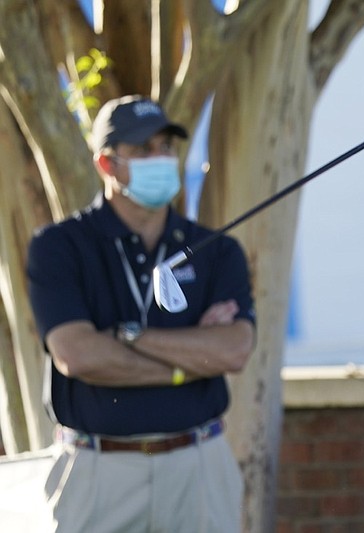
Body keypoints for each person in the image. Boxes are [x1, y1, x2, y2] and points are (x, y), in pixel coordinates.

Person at [26, 95, 256, 533]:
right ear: (107, 165)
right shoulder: (59, 246)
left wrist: (128, 336)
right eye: (143, 150)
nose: (160, 159)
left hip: (198, 463)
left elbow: (233, 351)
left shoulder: (217, 248)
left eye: (166, 147)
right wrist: (188, 363)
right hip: (98, 469)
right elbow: (78, 356)